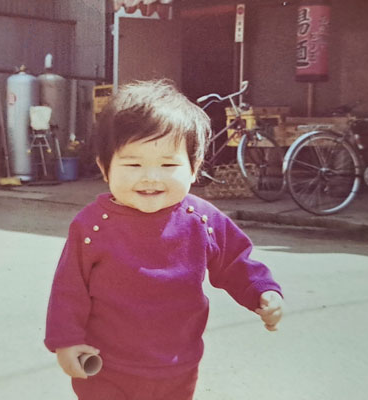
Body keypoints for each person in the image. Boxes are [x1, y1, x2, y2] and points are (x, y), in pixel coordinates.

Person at [44, 80, 284, 400]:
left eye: (168, 164)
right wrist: (66, 340)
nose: (150, 177)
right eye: (133, 164)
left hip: (178, 367)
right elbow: (69, 288)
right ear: (105, 167)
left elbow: (236, 262)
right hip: (105, 367)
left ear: (194, 168)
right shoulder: (92, 226)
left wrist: (262, 291)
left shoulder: (202, 220)